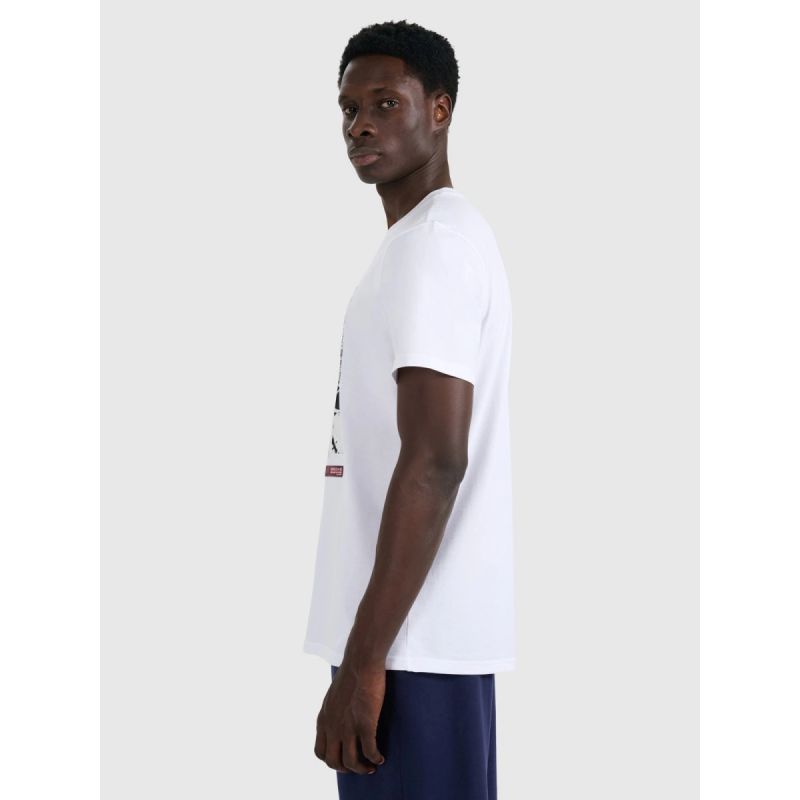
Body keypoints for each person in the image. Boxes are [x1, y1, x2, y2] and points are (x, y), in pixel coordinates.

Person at [302, 19, 515, 800]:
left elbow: (436, 459)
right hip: (401, 641)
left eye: (386, 103)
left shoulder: (436, 246)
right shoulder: (419, 244)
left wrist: (365, 662)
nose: (360, 124)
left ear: (440, 108)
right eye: (349, 108)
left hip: (408, 650)